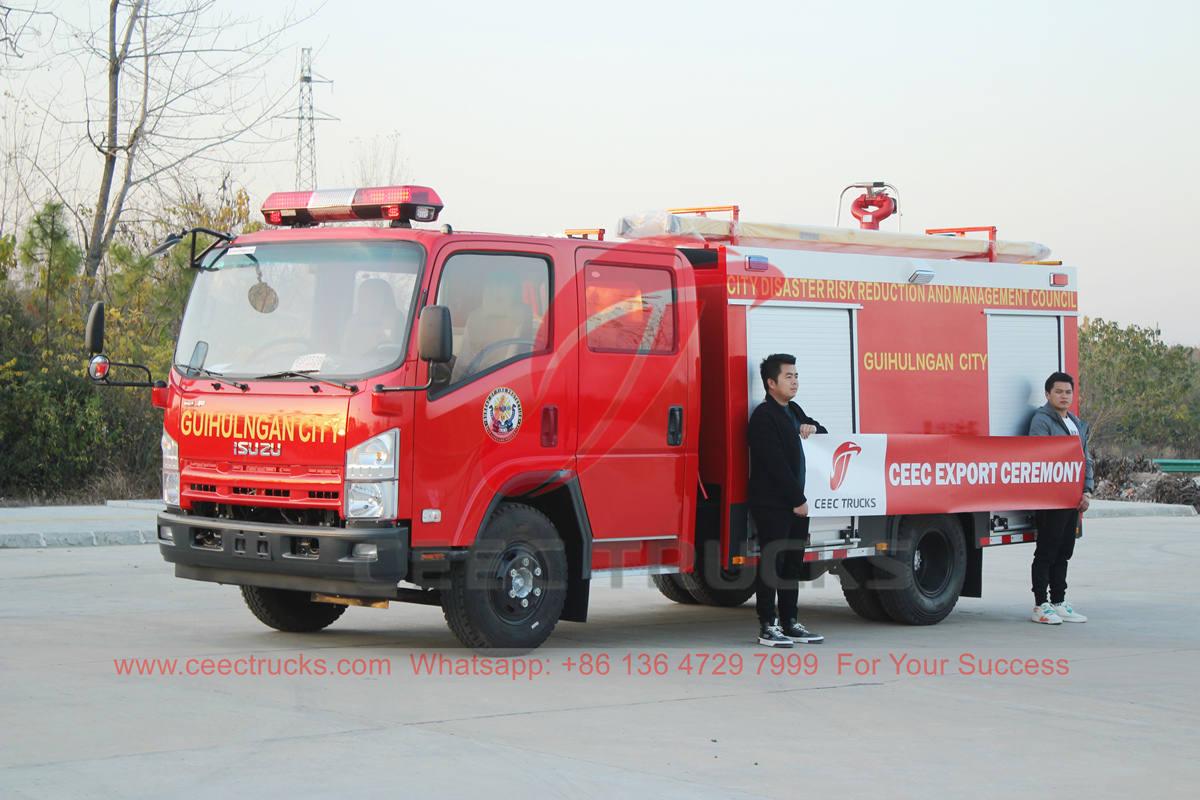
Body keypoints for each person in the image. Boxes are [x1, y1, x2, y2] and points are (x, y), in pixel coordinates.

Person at [748, 353, 828, 647]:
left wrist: (812, 427)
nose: (794, 381)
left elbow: (823, 433)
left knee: (792, 563)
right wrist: (797, 499)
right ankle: (768, 625)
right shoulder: (763, 417)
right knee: (773, 561)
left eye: (796, 376)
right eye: (788, 377)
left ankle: (790, 621)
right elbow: (775, 463)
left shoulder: (794, 411)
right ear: (771, 383)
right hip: (773, 503)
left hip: (797, 504)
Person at [1027, 371, 1094, 625]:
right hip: (1050, 499)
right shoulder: (1041, 421)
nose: (1064, 396)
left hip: (1073, 499)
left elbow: (1085, 460)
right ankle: (1040, 605)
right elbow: (1041, 457)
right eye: (1058, 391)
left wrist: (1086, 491)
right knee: (1047, 550)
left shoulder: (1075, 423)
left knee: (1065, 551)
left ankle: (1058, 601)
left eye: (1068, 392)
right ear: (1047, 394)